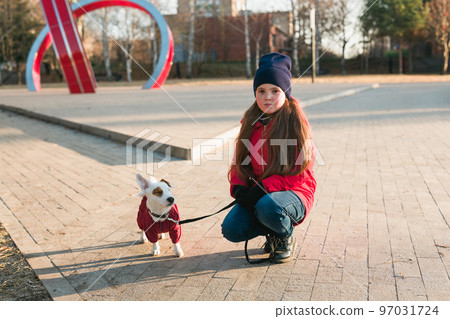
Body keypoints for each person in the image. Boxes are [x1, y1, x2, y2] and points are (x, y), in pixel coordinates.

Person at [221, 52, 316, 263]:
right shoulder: (250, 120)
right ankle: (272, 229)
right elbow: (240, 161)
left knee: (268, 206)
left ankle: (283, 235)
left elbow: (299, 173)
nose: (268, 97)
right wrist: (239, 187)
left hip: (294, 192)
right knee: (231, 229)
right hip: (261, 193)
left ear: (286, 92)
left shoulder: (295, 121)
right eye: (261, 91)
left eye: (275, 90)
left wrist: (263, 188)